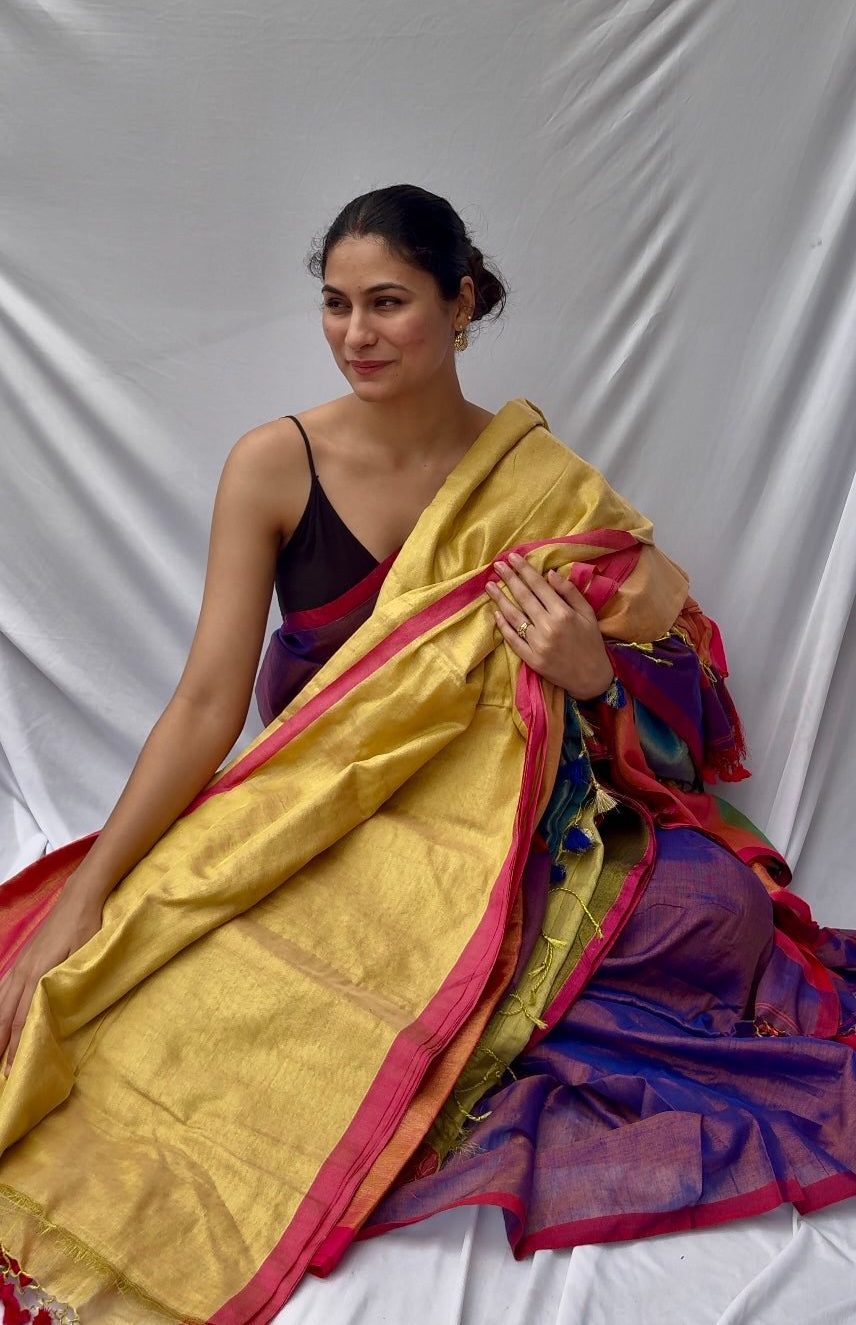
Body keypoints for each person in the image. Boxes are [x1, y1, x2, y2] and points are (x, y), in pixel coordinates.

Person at [0, 186, 854, 1325]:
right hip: (318, 820)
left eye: (389, 303)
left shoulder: (535, 483)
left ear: (460, 305)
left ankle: (461, 1025)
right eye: (337, 304)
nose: (357, 333)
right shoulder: (276, 465)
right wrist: (91, 893)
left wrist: (589, 672)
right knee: (145, 996)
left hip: (507, 831)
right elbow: (206, 704)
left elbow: (677, 674)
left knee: (721, 918)